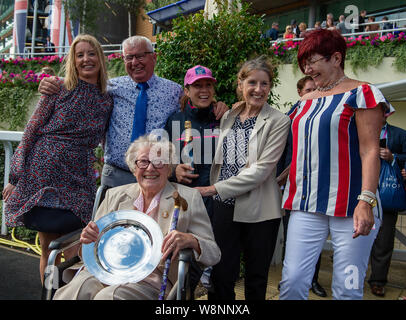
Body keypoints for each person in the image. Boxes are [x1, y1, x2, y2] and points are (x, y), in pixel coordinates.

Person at [279, 28, 394, 300]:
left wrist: (366, 202)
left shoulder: (363, 93)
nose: (307, 68)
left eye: (312, 60)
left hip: (352, 205)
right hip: (305, 204)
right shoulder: (304, 102)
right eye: (303, 63)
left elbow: (369, 151)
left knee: (348, 287)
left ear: (336, 58)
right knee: (292, 281)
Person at [38, 36, 228, 197]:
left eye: (140, 56)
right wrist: (54, 82)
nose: (135, 62)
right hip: (116, 176)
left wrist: (218, 105)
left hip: (155, 177)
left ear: (153, 58)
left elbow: (197, 101)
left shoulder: (173, 90)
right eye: (129, 57)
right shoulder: (111, 87)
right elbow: (82, 84)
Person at [2, 34, 113, 284]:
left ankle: (68, 293)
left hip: (78, 177)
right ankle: (50, 294)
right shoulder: (58, 89)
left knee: (77, 247)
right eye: (80, 55)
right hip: (45, 174)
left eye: (91, 53)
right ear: (73, 61)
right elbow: (31, 130)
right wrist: (15, 177)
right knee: (48, 246)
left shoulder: (107, 98)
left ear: (100, 58)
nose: (86, 59)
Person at [52, 134, 221, 300]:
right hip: (105, 272)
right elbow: (88, 251)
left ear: (169, 168)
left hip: (151, 281)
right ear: (134, 168)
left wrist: (191, 240)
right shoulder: (114, 195)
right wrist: (88, 240)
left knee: (110, 297)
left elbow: (214, 253)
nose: (150, 168)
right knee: (78, 289)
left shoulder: (188, 198)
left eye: (158, 161)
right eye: (143, 162)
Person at [197, 55, 291, 300]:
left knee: (256, 278)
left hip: (260, 210)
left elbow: (260, 171)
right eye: (252, 83)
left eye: (264, 84)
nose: (258, 90)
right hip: (225, 207)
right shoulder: (229, 115)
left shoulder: (279, 121)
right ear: (240, 84)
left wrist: (212, 189)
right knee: (220, 274)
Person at [165, 65, 225, 289]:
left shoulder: (223, 118)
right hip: (187, 202)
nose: (204, 90)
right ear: (186, 90)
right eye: (197, 85)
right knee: (186, 272)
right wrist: (174, 170)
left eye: (208, 85)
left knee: (217, 268)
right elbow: (162, 159)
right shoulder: (174, 120)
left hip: (218, 201)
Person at [276, 76, 327, 297]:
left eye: (315, 88)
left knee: (316, 239)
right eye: (308, 89)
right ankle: (290, 280)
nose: (312, 92)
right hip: (290, 188)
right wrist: (279, 180)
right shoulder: (288, 119)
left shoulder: (324, 116)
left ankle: (312, 280)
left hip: (317, 189)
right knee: (292, 236)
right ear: (299, 93)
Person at [368, 115, 406, 297]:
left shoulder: (400, 135)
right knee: (354, 237)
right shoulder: (359, 131)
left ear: (387, 113)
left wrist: (393, 157)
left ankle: (378, 281)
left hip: (386, 194)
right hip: (359, 193)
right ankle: (352, 277)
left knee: (383, 242)